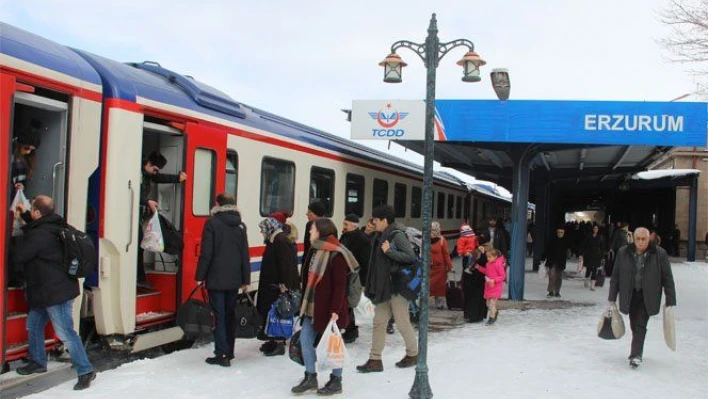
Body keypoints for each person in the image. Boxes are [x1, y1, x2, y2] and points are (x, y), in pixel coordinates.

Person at [12, 196, 96, 390]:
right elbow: (38, 233)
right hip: (49, 289)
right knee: (34, 324)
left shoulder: (40, 234)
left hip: (54, 292)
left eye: (32, 209)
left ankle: (86, 370)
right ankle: (38, 362)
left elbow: (21, 255)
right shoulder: (55, 225)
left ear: (37, 213)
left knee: (66, 333)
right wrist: (25, 215)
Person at [291, 218, 356, 395]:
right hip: (312, 305)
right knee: (305, 340)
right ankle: (310, 376)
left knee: (334, 345)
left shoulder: (337, 254)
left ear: (321, 231)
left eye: (312, 229)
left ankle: (336, 380)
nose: (310, 232)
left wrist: (335, 310)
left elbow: (340, 286)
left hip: (330, 308)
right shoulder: (315, 250)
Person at [357, 204, 418, 373]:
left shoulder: (396, 235)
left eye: (375, 219)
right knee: (379, 322)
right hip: (384, 287)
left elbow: (410, 257)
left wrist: (390, 252)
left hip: (397, 286)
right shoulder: (380, 235)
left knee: (401, 321)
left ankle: (413, 354)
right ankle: (375, 359)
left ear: (384, 220)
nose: (373, 222)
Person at [194, 192, 250, 367]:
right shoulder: (241, 226)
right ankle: (230, 351)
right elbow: (244, 255)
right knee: (229, 314)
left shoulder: (212, 223)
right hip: (234, 279)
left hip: (216, 278)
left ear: (218, 205)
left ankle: (221, 354)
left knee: (219, 316)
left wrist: (200, 276)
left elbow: (206, 253)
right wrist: (245, 279)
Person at [608, 227, 676, 369]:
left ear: (648, 239)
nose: (640, 242)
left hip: (648, 296)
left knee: (640, 324)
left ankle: (636, 355)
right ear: (633, 239)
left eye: (643, 239)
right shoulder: (623, 253)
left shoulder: (659, 254)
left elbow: (667, 278)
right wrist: (612, 297)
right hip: (630, 294)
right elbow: (615, 276)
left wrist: (670, 299)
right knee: (634, 324)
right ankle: (636, 350)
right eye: (637, 239)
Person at [138, 151, 187, 288]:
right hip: (131, 217)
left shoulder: (147, 173)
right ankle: (139, 278)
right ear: (148, 164)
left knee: (140, 246)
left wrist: (177, 178)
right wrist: (147, 201)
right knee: (139, 246)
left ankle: (140, 278)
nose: (155, 173)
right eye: (154, 169)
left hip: (139, 217)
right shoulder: (136, 173)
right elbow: (134, 191)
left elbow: (160, 178)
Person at [256, 214, 299, 356]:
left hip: (277, 286)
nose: (262, 233)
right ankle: (272, 339)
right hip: (272, 284)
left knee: (280, 312)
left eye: (263, 230)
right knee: (272, 312)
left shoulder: (280, 240)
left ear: (270, 228)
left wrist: (284, 284)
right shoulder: (274, 239)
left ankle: (279, 343)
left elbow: (285, 265)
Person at [8, 119, 43, 287]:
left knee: (16, 239)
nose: (29, 152)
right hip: (12, 202)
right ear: (18, 143)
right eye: (26, 148)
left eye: (32, 150)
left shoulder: (20, 160)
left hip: (15, 202)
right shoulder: (12, 158)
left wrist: (20, 187)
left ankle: (15, 277)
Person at [339, 213, 371, 344]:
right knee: (346, 303)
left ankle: (351, 331)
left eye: (346, 224)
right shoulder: (345, 236)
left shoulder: (362, 239)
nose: (344, 226)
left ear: (354, 225)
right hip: (346, 275)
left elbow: (366, 262)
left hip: (355, 277)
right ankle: (349, 329)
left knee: (352, 304)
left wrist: (363, 282)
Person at [476, 248, 506, 325]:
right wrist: (479, 267)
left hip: (496, 286)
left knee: (492, 303)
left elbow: (503, 276)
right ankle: (495, 311)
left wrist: (494, 280)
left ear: (495, 257)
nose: (488, 259)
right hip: (488, 286)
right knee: (488, 303)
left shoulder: (498, 264)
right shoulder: (488, 264)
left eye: (489, 257)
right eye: (487, 257)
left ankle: (492, 317)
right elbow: (486, 271)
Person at [541, 227, 571, 298]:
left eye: (561, 232)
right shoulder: (552, 240)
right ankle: (551, 291)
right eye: (559, 232)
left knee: (559, 277)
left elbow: (570, 248)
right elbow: (547, 249)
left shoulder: (566, 241)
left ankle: (557, 291)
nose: (560, 234)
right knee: (552, 276)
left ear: (564, 233)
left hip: (561, 262)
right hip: (552, 260)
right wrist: (543, 258)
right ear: (556, 233)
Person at [430, 221, 453, 310]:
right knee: (429, 285)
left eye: (432, 232)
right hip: (429, 267)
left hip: (440, 269)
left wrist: (450, 266)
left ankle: (440, 304)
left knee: (439, 287)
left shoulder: (442, 240)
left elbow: (446, 254)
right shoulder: (426, 240)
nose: (431, 234)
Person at [462, 245, 487, 323]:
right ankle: (474, 316)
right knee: (473, 301)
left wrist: (483, 253)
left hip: (476, 284)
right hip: (474, 284)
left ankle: (472, 316)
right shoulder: (470, 259)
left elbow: (484, 263)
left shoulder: (479, 261)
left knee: (472, 301)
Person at [579, 224, 606, 291]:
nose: (595, 229)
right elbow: (584, 245)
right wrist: (581, 254)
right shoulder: (588, 236)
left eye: (596, 228)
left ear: (598, 229)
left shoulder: (600, 237)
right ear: (592, 229)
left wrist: (602, 256)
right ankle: (586, 279)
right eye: (594, 228)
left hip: (597, 255)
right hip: (589, 255)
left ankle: (592, 286)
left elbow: (602, 247)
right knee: (588, 269)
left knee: (594, 270)